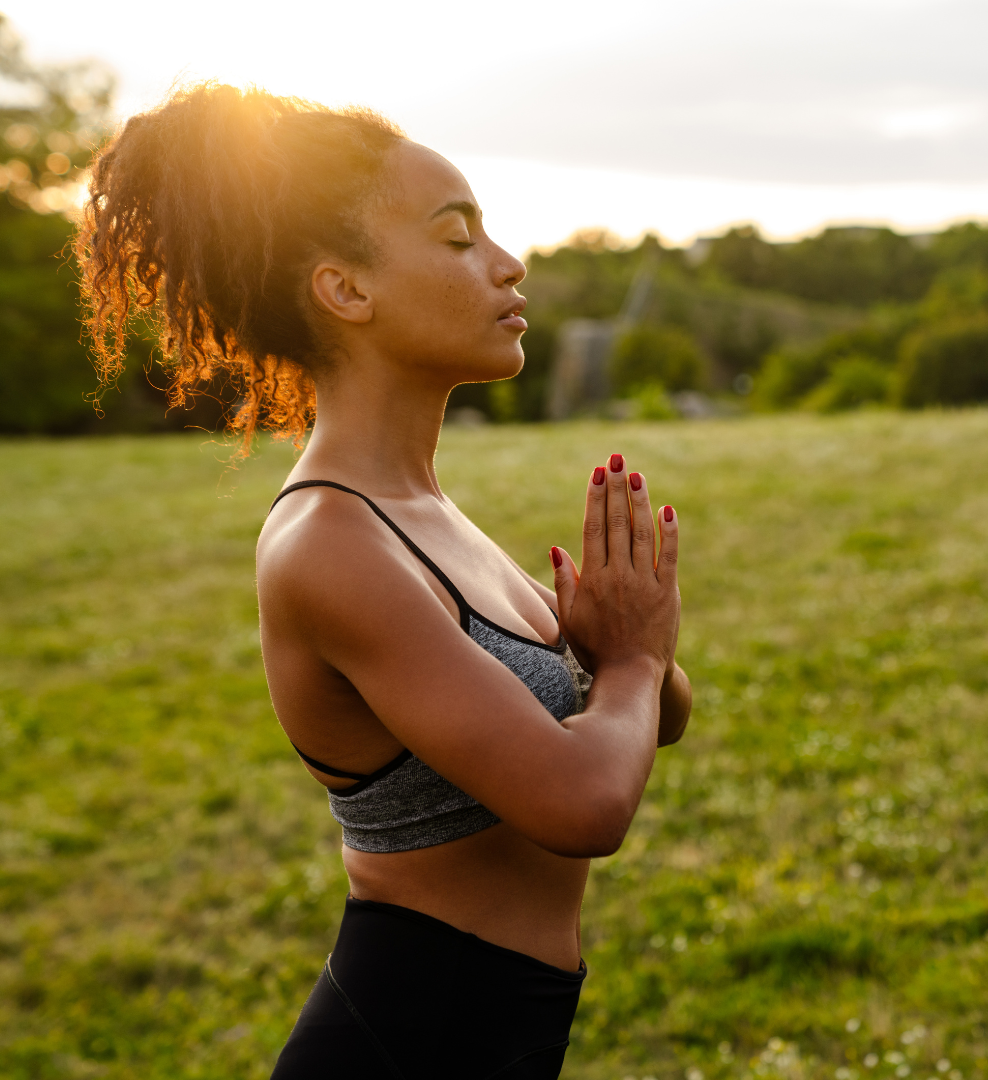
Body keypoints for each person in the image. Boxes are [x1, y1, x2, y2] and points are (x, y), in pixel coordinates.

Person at [76, 82, 691, 1080]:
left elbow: (648, 716)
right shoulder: (331, 543)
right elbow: (584, 801)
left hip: (502, 1032)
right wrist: (631, 659)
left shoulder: (426, 514)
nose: (508, 263)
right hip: (404, 1046)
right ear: (345, 290)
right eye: (456, 240)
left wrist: (615, 651)